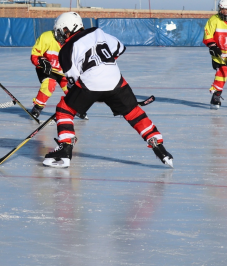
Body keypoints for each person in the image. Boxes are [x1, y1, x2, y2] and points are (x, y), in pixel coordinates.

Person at [42, 12, 173, 168]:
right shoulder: (97, 32)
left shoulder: (65, 50)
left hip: (90, 83)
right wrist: (103, 66)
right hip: (115, 79)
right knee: (133, 112)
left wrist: (88, 96)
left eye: (61, 31)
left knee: (64, 110)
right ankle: (159, 147)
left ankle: (65, 150)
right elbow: (119, 48)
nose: (60, 36)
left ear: (67, 29)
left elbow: (73, 81)